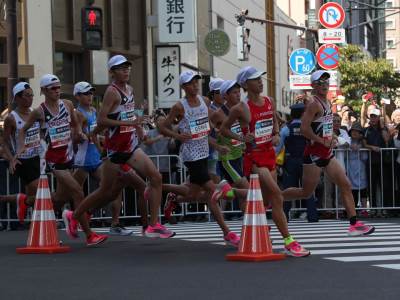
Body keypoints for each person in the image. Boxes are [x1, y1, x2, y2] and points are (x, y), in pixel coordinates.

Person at [63, 55, 174, 239]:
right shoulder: (112, 92)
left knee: (155, 177)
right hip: (115, 150)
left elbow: (127, 114)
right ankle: (73, 216)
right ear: (112, 72)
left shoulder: (130, 89)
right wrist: (129, 123)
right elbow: (103, 119)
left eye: (127, 67)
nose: (126, 70)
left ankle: (153, 225)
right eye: (121, 68)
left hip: (130, 147)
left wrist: (138, 126)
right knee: (105, 191)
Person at [220, 66, 310, 257]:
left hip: (269, 155)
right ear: (245, 84)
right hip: (254, 158)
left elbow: (275, 120)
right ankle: (289, 241)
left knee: (265, 198)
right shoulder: (241, 108)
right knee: (277, 196)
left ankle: (229, 193)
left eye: (261, 78)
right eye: (255, 79)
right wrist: (243, 138)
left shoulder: (269, 101)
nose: (261, 82)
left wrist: (276, 133)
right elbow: (224, 130)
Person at [17, 74, 108, 246]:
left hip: (69, 157)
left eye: (59, 87)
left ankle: (27, 201)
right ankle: (89, 235)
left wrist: (78, 133)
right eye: (53, 88)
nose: (57, 91)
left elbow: (75, 124)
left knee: (59, 198)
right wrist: (21, 146)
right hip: (53, 160)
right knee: (77, 191)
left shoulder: (67, 104)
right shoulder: (39, 111)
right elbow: (23, 130)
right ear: (44, 90)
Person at [281, 70, 375, 236]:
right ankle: (275, 198)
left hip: (326, 153)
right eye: (320, 83)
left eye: (326, 82)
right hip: (313, 155)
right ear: (313, 86)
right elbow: (304, 129)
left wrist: (332, 137)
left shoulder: (326, 102)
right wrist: (321, 141)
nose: (325, 85)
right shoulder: (314, 104)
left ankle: (354, 224)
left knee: (345, 184)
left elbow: (323, 127)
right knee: (306, 192)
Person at [159, 70, 240, 246]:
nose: (195, 85)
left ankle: (164, 191)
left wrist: (217, 144)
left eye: (196, 82)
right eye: (190, 83)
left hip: (204, 151)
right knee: (214, 190)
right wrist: (178, 136)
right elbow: (162, 127)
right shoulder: (180, 106)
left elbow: (205, 129)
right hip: (190, 154)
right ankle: (227, 232)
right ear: (183, 86)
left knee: (192, 193)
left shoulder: (205, 101)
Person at [72, 81, 149, 236]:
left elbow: (105, 130)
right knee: (72, 193)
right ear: (77, 96)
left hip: (100, 156)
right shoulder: (78, 113)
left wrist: (101, 139)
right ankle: (75, 217)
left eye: (91, 93)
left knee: (112, 190)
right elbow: (76, 136)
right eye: (86, 93)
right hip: (84, 158)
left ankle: (111, 221)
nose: (90, 96)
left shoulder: (95, 110)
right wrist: (83, 136)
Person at [2, 82, 41, 223]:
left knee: (32, 197)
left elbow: (41, 134)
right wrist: (11, 159)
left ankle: (19, 201)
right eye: (26, 95)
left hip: (37, 158)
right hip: (23, 161)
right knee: (42, 192)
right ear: (17, 98)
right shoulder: (11, 118)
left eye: (31, 95)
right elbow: (4, 142)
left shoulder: (35, 113)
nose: (30, 98)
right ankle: (44, 222)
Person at [274, 103, 319, 222]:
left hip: (291, 162)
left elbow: (278, 148)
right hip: (306, 161)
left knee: (289, 187)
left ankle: (284, 215)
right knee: (308, 189)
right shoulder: (309, 128)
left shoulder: (286, 129)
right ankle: (312, 216)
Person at [347, 122, 369, 217]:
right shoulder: (347, 141)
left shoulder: (363, 143)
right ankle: (354, 209)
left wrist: (361, 150)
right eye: (353, 131)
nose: (355, 133)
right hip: (350, 166)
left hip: (360, 166)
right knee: (352, 189)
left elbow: (365, 157)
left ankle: (364, 209)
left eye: (357, 132)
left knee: (363, 188)